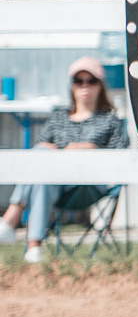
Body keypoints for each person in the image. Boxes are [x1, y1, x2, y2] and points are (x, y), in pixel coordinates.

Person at [0, 56, 128, 262]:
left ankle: (10, 222)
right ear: (72, 86)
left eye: (91, 81)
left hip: (87, 186)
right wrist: (64, 152)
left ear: (100, 86)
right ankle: (34, 248)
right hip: (54, 183)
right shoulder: (58, 118)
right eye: (79, 81)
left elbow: (121, 156)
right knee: (41, 164)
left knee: (42, 166)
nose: (85, 86)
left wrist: (90, 148)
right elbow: (41, 146)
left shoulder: (109, 120)